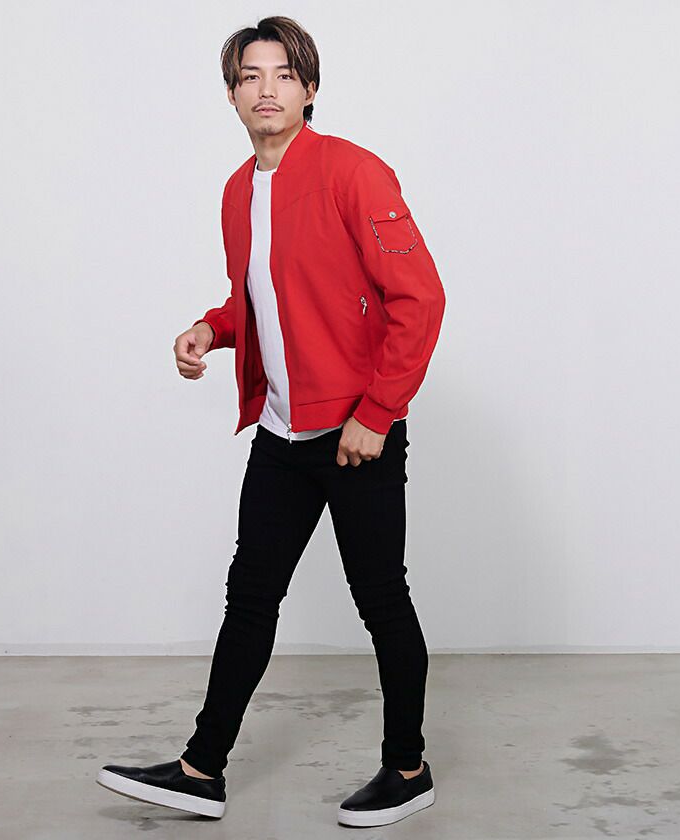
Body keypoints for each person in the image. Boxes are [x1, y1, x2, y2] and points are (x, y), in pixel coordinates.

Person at [97, 15, 445, 828]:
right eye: (249, 76)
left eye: (284, 74)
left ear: (309, 89)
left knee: (380, 601)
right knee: (250, 598)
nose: (266, 89)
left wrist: (378, 413)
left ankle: (408, 767)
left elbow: (419, 299)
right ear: (230, 94)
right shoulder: (237, 191)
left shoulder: (354, 172)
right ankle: (200, 770)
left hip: (355, 437)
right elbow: (260, 297)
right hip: (282, 435)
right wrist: (211, 329)